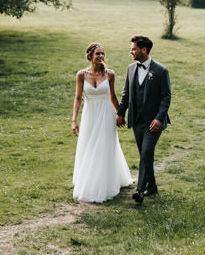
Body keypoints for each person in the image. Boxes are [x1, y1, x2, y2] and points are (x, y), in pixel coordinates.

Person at [71, 42, 134, 203]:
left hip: (106, 113)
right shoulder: (81, 75)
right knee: (89, 145)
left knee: (105, 145)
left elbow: (112, 96)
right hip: (90, 114)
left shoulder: (109, 74)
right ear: (90, 56)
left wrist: (119, 113)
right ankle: (87, 178)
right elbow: (78, 98)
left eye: (103, 54)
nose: (101, 56)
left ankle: (105, 181)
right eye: (98, 53)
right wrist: (74, 120)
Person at [116, 34, 171, 204]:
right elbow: (126, 93)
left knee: (147, 152)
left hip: (153, 122)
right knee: (144, 155)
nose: (131, 51)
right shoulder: (131, 69)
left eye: (133, 49)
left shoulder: (161, 71)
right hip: (136, 120)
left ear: (143, 50)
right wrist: (120, 112)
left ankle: (139, 190)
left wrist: (159, 118)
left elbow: (166, 97)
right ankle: (152, 186)